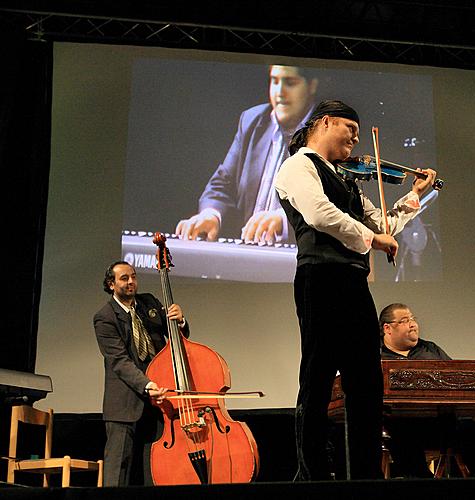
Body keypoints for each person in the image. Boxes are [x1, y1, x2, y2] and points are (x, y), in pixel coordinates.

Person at [274, 100, 437, 480]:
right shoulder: (299, 165)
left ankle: (365, 476)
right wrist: (372, 239)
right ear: (326, 121)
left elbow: (384, 223)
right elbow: (318, 214)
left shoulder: (346, 178)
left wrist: (414, 196)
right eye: (351, 129)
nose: (356, 138)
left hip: (351, 282)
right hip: (320, 278)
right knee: (316, 378)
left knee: (366, 383)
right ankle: (312, 473)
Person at [176, 64, 319, 244]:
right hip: (246, 252)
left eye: (290, 83)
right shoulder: (253, 120)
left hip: (300, 255)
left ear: (312, 86)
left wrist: (284, 220)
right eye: (274, 81)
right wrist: (211, 214)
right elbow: (223, 183)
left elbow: (333, 203)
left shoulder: (328, 131)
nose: (279, 92)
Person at [94, 261, 189, 486]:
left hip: (159, 402)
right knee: (118, 472)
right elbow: (120, 362)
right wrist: (148, 385)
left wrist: (180, 321)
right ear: (111, 284)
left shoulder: (150, 302)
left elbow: (178, 339)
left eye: (133, 277)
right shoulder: (105, 317)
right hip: (125, 404)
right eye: (124, 278)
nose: (131, 282)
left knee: (156, 470)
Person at [379, 303, 475, 477]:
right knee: (402, 434)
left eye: (413, 319)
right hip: (402, 426)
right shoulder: (378, 356)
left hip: (440, 424)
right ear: (387, 328)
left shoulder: (430, 349)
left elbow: (455, 377)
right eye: (405, 321)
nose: (413, 324)